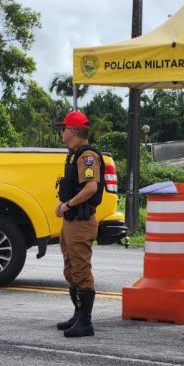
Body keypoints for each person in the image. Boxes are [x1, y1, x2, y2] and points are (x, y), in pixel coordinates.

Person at [53, 110, 104, 338]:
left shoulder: (87, 156)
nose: (62, 132)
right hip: (72, 220)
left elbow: (91, 187)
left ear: (72, 131)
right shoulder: (73, 155)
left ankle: (85, 323)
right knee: (70, 268)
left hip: (81, 220)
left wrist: (69, 204)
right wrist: (63, 204)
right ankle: (78, 314)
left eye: (64, 128)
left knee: (81, 270)